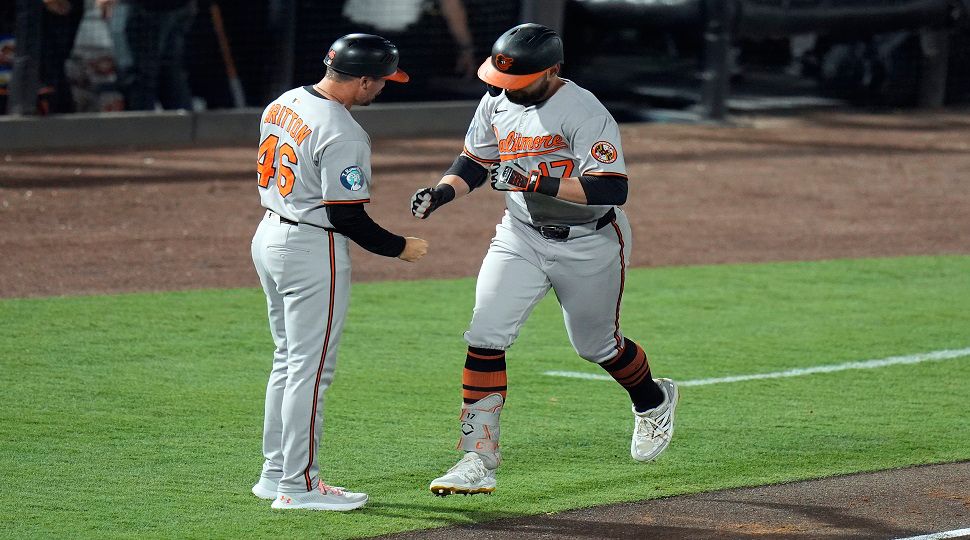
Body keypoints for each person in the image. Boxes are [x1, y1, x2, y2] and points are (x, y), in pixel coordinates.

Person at [409, 23, 679, 496]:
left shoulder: (584, 111)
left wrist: (534, 181)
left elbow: (612, 188)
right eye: (501, 79)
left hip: (589, 241)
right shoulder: (496, 99)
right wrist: (442, 193)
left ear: (552, 70)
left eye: (519, 81)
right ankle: (477, 458)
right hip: (520, 236)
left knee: (597, 346)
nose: (506, 89)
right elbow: (474, 161)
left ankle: (653, 400)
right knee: (485, 334)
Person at [250, 33, 428, 511]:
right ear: (363, 80)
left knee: (288, 362)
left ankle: (274, 473)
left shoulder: (284, 101)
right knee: (310, 371)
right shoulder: (343, 131)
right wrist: (399, 247)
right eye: (383, 80)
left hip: (269, 234)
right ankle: (298, 487)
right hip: (310, 247)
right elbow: (347, 215)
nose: (384, 88)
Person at [96, 0, 195, 110]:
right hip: (177, 7)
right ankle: (180, 119)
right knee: (169, 74)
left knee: (139, 78)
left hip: (142, 7)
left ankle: (142, 120)